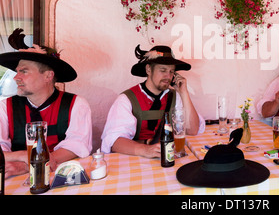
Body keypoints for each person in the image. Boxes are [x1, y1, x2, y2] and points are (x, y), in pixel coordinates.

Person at [0, 29, 92, 178]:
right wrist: (24, 155)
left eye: (24, 71)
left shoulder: (76, 104)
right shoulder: (5, 107)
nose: (16, 77)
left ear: (48, 76)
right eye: (17, 71)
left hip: (61, 178)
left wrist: (24, 165)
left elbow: (75, 147)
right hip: (14, 180)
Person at [101, 45, 205, 158]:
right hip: (135, 161)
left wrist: (184, 92)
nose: (168, 76)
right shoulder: (126, 99)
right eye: (163, 70)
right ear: (148, 69)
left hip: (167, 158)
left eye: (171, 71)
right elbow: (114, 142)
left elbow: (192, 129)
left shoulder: (175, 96)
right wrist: (146, 150)